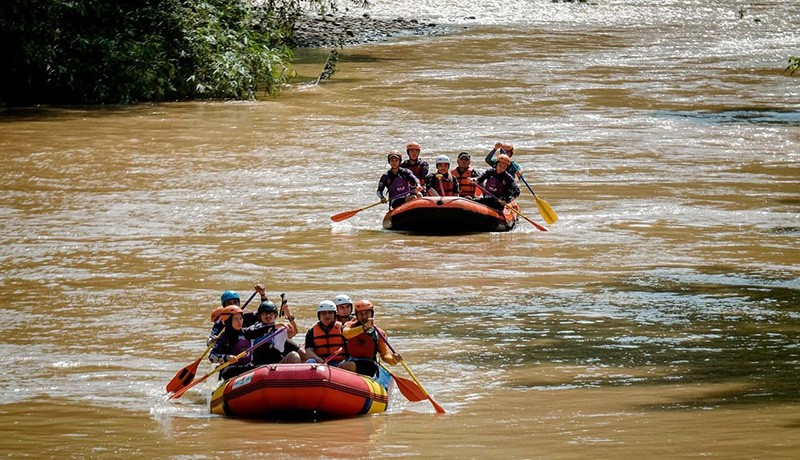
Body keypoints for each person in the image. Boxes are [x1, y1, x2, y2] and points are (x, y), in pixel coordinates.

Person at [339, 299, 401, 377]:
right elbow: (346, 334)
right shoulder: (350, 325)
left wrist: (393, 360)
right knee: (343, 365)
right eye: (361, 314)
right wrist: (363, 328)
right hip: (351, 360)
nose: (364, 316)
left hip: (369, 365)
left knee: (343, 366)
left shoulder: (379, 333)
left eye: (367, 313)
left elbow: (385, 355)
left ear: (372, 314)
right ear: (357, 315)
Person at [244, 299, 302, 365]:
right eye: (265, 313)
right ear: (260, 316)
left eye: (271, 313)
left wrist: (288, 314)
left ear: (275, 315)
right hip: (258, 364)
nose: (268, 316)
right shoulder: (254, 328)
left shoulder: (282, 328)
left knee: (294, 356)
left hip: (277, 364)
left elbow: (294, 332)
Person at [209, 306, 256, 380]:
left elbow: (261, 330)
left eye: (240, 318)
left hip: (247, 367)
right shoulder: (223, 338)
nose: (239, 321)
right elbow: (212, 356)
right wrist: (227, 357)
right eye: (236, 319)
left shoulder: (246, 332)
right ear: (228, 321)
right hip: (231, 371)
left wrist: (272, 327)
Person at [304, 300, 346, 366]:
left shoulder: (342, 329)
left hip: (339, 363)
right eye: (323, 313)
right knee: (310, 361)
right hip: (320, 362)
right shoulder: (311, 331)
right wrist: (318, 359)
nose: (327, 315)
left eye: (330, 313)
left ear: (335, 315)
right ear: (319, 316)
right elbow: (309, 351)